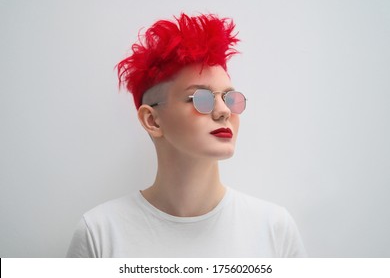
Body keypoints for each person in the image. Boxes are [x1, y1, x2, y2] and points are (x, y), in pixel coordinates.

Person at [66, 13, 306, 258]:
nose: (224, 111)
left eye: (229, 98)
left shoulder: (274, 229)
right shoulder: (100, 233)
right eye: (201, 98)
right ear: (152, 120)